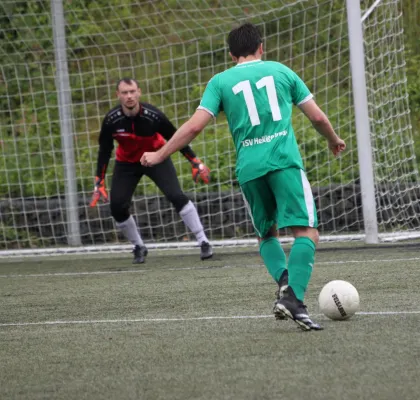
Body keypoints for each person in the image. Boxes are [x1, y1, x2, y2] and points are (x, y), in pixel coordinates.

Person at [141, 23, 345, 331]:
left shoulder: (220, 81)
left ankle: (286, 283)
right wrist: (332, 139)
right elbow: (316, 116)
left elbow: (194, 127)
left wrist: (159, 155)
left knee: (267, 234)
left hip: (250, 169)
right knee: (306, 233)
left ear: (230, 54)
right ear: (261, 47)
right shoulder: (282, 71)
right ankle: (294, 299)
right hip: (283, 162)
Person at [91, 78, 213, 264]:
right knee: (117, 206)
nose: (129, 96)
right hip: (127, 163)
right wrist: (99, 180)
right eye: (125, 93)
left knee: (176, 195)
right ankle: (139, 246)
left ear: (139, 92)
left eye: (132, 91)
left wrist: (194, 161)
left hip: (156, 158)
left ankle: (203, 241)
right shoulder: (111, 120)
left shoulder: (153, 116)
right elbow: (104, 150)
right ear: (118, 95)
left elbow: (175, 137)